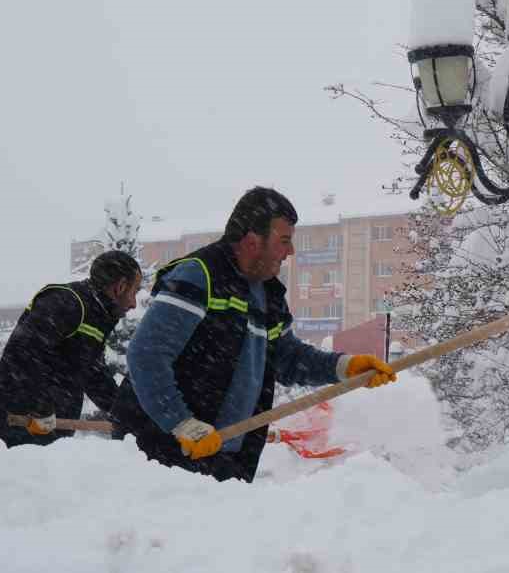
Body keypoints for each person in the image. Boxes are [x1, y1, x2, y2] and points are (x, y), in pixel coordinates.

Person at [111, 186, 395, 482]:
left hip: (222, 457)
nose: (291, 251)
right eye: (284, 241)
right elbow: (147, 355)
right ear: (251, 241)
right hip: (159, 453)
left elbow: (286, 358)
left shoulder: (268, 294)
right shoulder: (200, 276)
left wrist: (344, 367)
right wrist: (182, 423)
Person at [0, 249, 143, 447]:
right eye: (135, 291)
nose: (134, 303)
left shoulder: (97, 315)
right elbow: (23, 355)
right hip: (11, 432)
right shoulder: (65, 301)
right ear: (120, 287)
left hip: (49, 436)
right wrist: (41, 408)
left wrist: (128, 414)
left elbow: (93, 374)